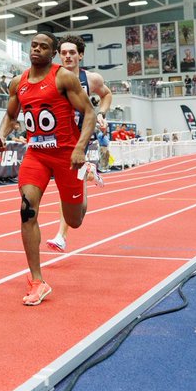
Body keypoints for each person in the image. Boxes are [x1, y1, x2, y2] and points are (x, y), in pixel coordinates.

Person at [0, 33, 95, 305]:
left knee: (74, 220)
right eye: (34, 45)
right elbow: (11, 115)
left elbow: (89, 112)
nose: (37, 49)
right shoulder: (19, 82)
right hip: (36, 155)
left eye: (44, 47)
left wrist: (79, 149)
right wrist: (2, 135)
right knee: (27, 211)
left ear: (52, 54)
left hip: (67, 155)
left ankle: (83, 181)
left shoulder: (63, 77)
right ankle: (37, 280)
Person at [45, 34, 113, 252]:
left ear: (80, 55)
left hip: (79, 140)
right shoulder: (51, 77)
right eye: (63, 53)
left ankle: (60, 235)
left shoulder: (91, 79)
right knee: (73, 196)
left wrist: (101, 114)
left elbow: (107, 94)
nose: (67, 56)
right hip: (58, 138)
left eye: (72, 52)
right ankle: (88, 170)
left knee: (67, 189)